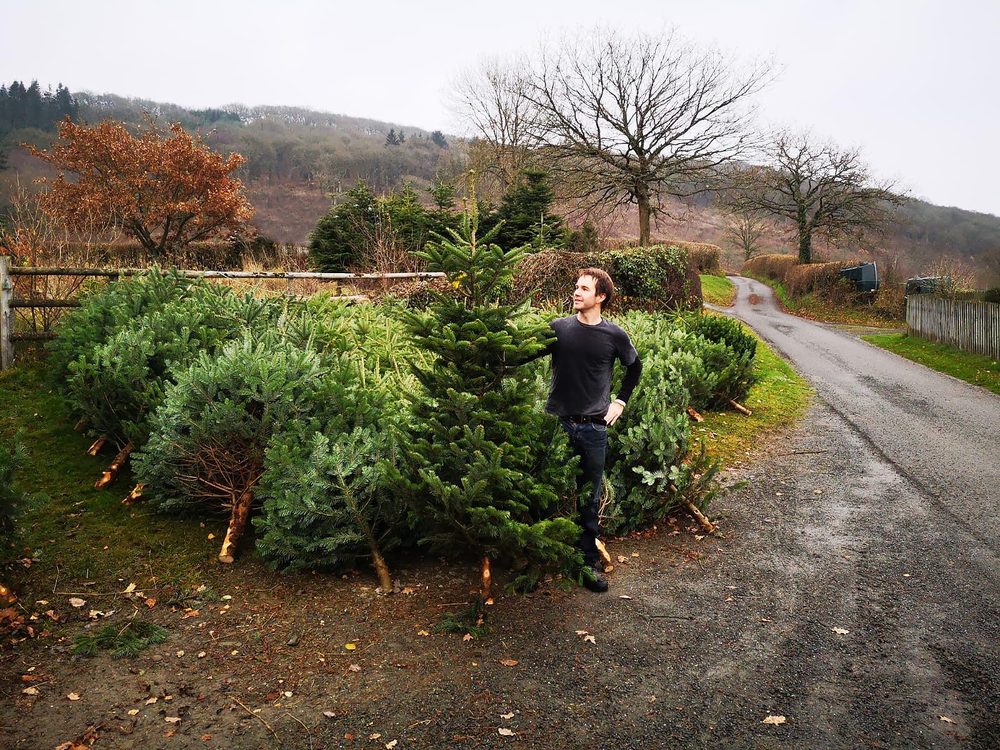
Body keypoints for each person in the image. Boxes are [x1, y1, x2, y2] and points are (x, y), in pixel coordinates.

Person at [531, 268, 642, 593]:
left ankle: (586, 562)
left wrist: (619, 402)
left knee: (588, 498)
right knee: (545, 490)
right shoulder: (559, 329)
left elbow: (634, 367)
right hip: (557, 424)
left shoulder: (614, 336)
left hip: (594, 429)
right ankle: (540, 556)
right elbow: (525, 352)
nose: (576, 293)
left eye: (583, 288)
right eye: (575, 287)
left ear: (601, 297)